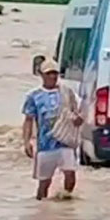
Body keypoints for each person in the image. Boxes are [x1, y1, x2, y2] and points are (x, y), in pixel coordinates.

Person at [22, 59, 82, 200]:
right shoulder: (34, 96)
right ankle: (41, 207)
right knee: (44, 183)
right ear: (41, 75)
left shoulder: (67, 93)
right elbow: (28, 120)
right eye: (49, 73)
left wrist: (78, 120)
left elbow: (75, 113)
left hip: (65, 142)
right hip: (45, 145)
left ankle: (66, 201)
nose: (52, 77)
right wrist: (26, 142)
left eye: (55, 73)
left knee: (70, 173)